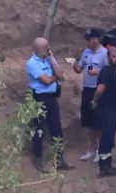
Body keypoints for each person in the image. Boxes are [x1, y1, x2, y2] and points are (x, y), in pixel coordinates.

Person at [27, 37, 73, 173]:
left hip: (52, 98)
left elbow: (61, 75)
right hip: (39, 99)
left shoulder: (48, 59)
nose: (48, 49)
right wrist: (56, 77)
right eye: (45, 48)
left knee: (57, 130)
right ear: (37, 48)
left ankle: (59, 160)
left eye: (48, 47)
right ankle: (38, 160)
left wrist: (51, 56)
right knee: (39, 130)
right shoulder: (31, 63)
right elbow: (46, 81)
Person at [89, 44, 116, 177]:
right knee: (106, 139)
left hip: (111, 109)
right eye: (114, 56)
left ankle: (107, 165)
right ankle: (104, 168)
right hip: (107, 111)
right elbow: (100, 89)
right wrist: (95, 101)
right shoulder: (107, 71)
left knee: (108, 139)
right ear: (109, 57)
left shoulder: (110, 70)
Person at [74, 28, 107, 162]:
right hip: (87, 89)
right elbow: (79, 69)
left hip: (99, 90)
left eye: (89, 39)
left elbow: (109, 73)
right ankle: (92, 149)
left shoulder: (105, 53)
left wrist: (98, 73)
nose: (86, 42)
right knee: (89, 122)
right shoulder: (86, 52)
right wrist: (75, 63)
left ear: (96, 39)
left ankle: (101, 150)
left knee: (99, 121)